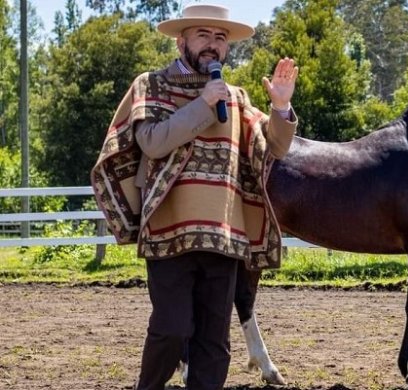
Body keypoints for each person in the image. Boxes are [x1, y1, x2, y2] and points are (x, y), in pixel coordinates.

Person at [90, 4, 298, 389]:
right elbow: (152, 142)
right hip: (168, 233)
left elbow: (272, 149)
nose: (212, 45)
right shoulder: (151, 85)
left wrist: (281, 107)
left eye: (220, 39)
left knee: (214, 344)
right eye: (203, 35)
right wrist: (203, 104)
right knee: (171, 329)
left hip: (224, 237)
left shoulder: (235, 97)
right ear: (180, 39)